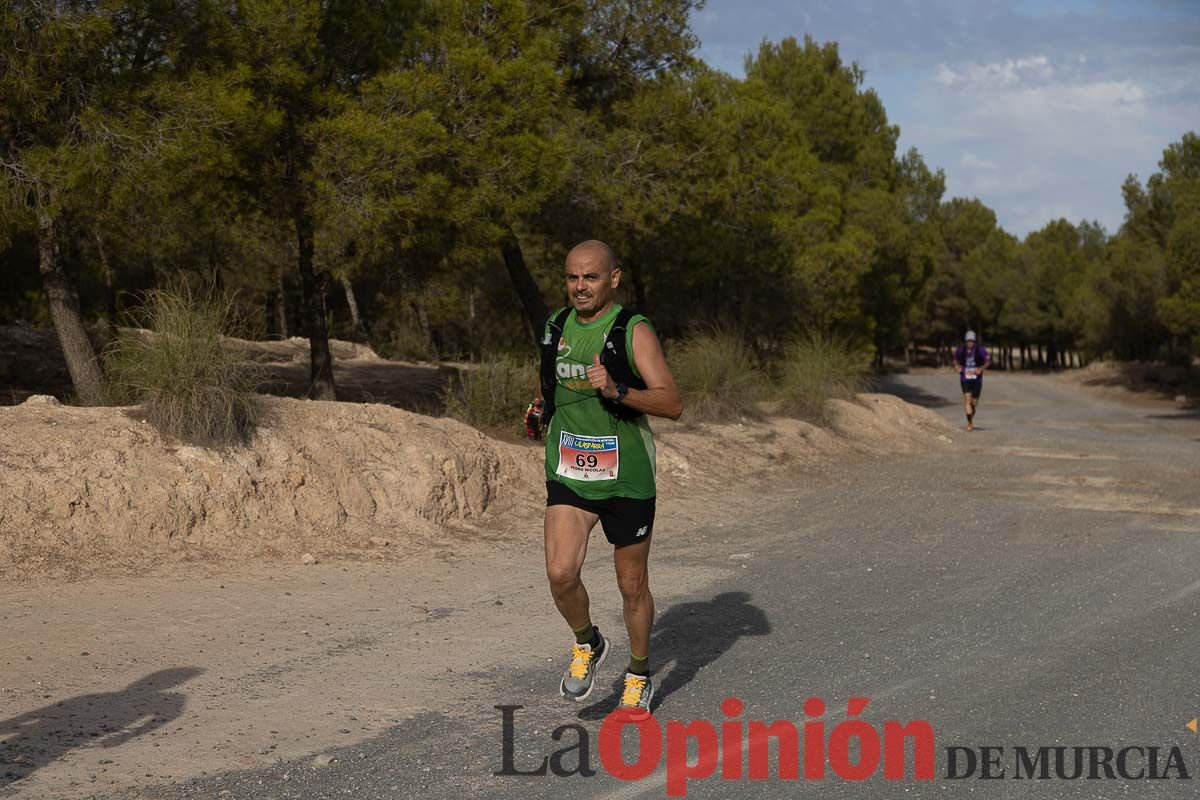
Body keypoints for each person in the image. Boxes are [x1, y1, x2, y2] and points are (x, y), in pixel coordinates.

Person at [529, 239, 682, 717]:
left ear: (612, 279)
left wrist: (618, 390)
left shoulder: (631, 330)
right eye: (573, 277)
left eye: (590, 277)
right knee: (560, 572)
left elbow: (672, 403)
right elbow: (554, 385)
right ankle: (588, 642)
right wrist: (540, 408)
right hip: (571, 469)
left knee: (631, 584)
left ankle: (638, 673)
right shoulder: (556, 326)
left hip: (626, 476)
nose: (580, 287)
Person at [953, 330, 989, 431]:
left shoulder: (980, 349)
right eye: (968, 341)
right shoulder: (961, 349)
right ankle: (969, 423)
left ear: (974, 341)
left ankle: (970, 417)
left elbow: (987, 361)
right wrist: (957, 366)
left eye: (972, 341)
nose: (970, 343)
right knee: (967, 400)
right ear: (965, 341)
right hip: (965, 378)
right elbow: (955, 359)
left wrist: (981, 369)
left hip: (977, 379)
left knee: (974, 403)